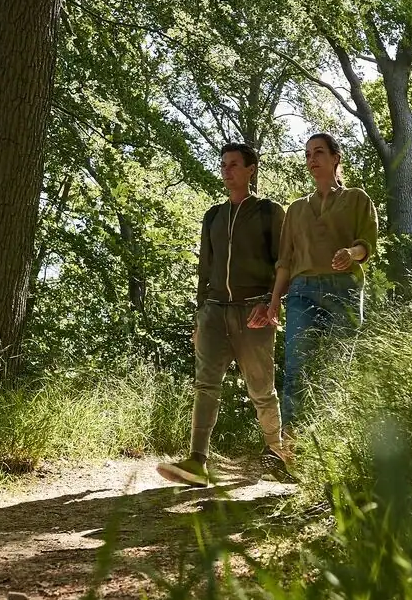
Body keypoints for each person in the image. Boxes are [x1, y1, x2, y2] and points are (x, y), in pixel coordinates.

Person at [157, 142, 291, 487]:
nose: (227, 171)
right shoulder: (213, 216)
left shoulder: (269, 212)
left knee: (261, 388)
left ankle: (279, 453)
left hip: (254, 312)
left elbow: (284, 265)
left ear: (251, 170)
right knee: (205, 384)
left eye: (234, 165)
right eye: (223, 165)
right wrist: (200, 317)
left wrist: (272, 303)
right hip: (214, 312)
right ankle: (197, 461)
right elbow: (206, 269)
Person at [252, 132, 378, 432]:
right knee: (297, 368)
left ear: (336, 158)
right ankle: (290, 448)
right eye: (308, 154)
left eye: (319, 152)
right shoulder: (296, 209)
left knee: (339, 367)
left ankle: (334, 443)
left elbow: (367, 244)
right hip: (302, 292)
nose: (312, 160)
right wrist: (273, 304)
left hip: (344, 289)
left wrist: (352, 253)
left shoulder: (357, 199)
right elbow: (285, 261)